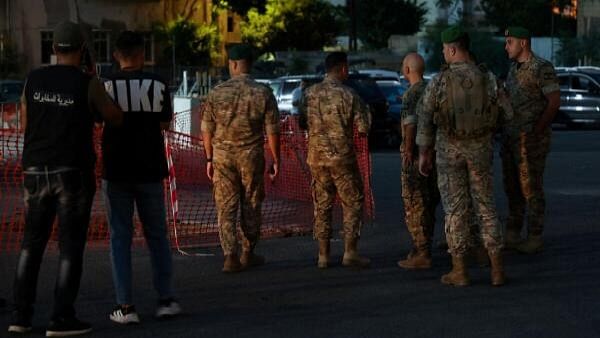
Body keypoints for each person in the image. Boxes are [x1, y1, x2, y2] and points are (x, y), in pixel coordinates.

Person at [9, 21, 122, 336]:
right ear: (83, 50)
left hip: (34, 170)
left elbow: (24, 121)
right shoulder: (87, 83)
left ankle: (21, 315)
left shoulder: (33, 79)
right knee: (70, 247)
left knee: (31, 244)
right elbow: (114, 116)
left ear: (54, 49)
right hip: (72, 172)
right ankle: (61, 318)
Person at [417, 26, 509, 287]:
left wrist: (424, 153)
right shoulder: (488, 77)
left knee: (455, 209)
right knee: (486, 206)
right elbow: (507, 112)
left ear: (453, 48)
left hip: (449, 151)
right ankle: (497, 270)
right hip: (480, 150)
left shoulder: (440, 81)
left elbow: (425, 118)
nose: (444, 54)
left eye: (445, 49)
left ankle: (460, 271)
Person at [101, 31, 180, 325]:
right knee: (157, 235)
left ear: (116, 55)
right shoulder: (158, 84)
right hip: (149, 167)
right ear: (142, 53)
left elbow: (99, 119)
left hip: (117, 169)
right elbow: (164, 122)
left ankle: (126, 306)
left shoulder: (106, 85)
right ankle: (166, 299)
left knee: (119, 238)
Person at [201, 43, 281, 273]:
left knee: (225, 206)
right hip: (251, 156)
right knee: (251, 203)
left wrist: (208, 159)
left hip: (222, 157)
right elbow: (272, 130)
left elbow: (207, 128)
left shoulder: (217, 92)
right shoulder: (263, 92)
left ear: (233, 64)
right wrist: (276, 159)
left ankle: (229, 257)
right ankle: (248, 252)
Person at [299, 51, 371, 269]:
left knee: (322, 204)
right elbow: (363, 128)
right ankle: (350, 252)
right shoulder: (349, 95)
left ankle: (323, 255)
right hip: (342, 158)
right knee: (353, 202)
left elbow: (303, 122)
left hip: (316, 158)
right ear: (341, 68)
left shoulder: (309, 94)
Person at [502, 26, 560, 254]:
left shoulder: (541, 68)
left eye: (510, 42)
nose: (506, 46)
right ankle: (513, 233)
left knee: (531, 189)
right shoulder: (513, 69)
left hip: (530, 141)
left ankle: (534, 236)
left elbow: (554, 102)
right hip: (511, 139)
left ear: (523, 43)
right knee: (512, 188)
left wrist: (537, 131)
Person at [397, 52, 440, 270]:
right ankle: (422, 246)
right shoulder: (433, 88)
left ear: (407, 70)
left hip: (417, 156)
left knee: (415, 204)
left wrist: (407, 150)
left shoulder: (411, 94)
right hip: (435, 153)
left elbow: (411, 124)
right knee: (430, 202)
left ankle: (422, 253)